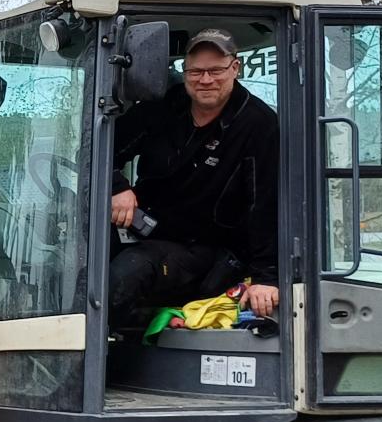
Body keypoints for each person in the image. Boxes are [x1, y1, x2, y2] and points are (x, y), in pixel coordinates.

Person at [109, 27, 280, 322]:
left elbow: (263, 204)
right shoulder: (164, 108)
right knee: (75, 259)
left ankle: (116, 352)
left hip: (205, 248)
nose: (205, 80)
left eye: (215, 71)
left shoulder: (258, 124)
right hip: (146, 226)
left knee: (127, 273)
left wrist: (267, 276)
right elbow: (102, 146)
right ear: (184, 71)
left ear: (235, 68)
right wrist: (117, 186)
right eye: (196, 72)